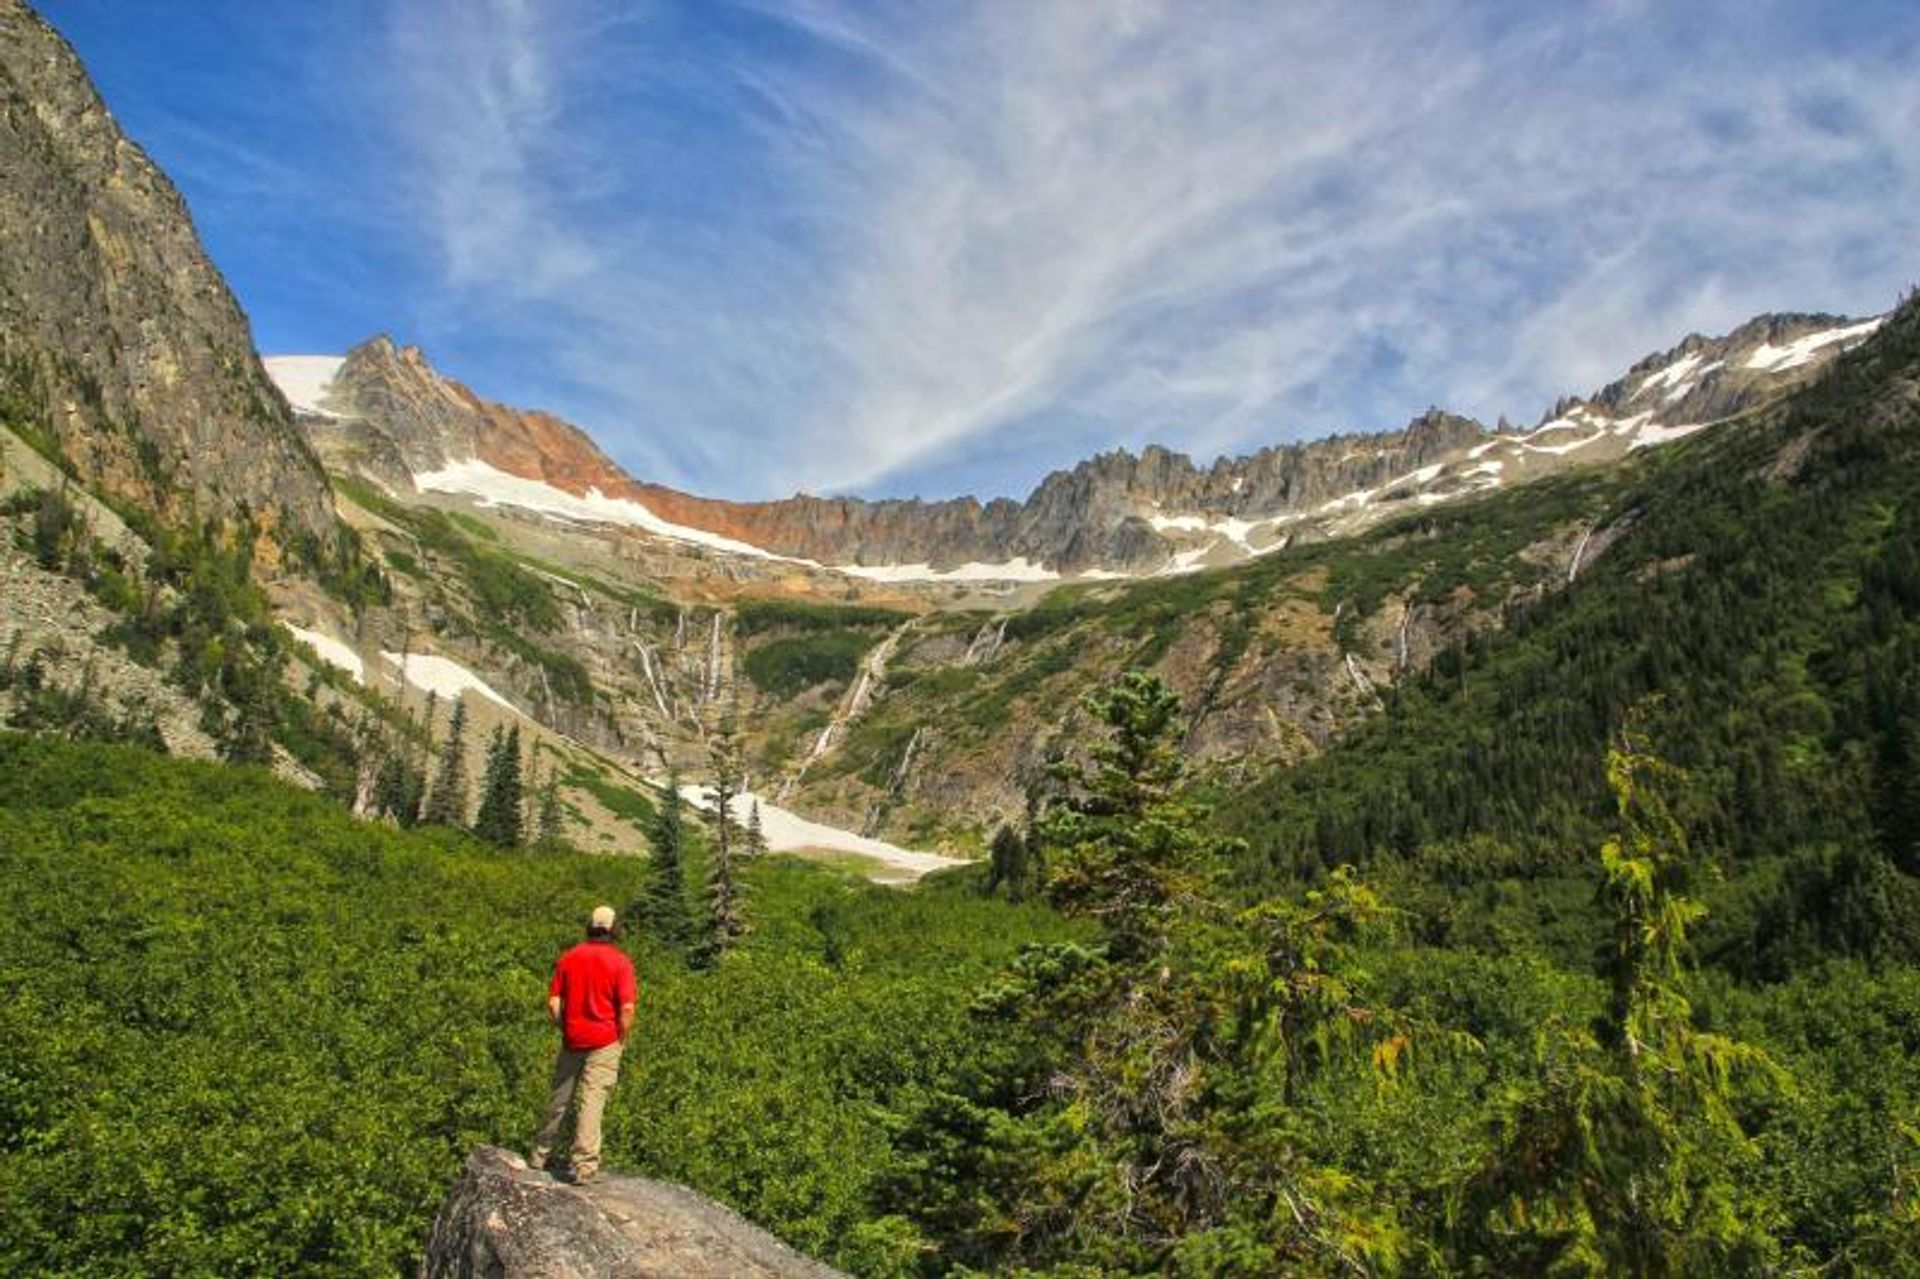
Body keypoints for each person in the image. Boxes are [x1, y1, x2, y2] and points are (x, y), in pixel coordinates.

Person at [530, 904, 637, 1184]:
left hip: (572, 1039)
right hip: (604, 1041)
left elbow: (553, 1003)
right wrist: (622, 1038)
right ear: (613, 930)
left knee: (559, 1099)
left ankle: (540, 1155)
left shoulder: (569, 958)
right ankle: (584, 1167)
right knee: (592, 1101)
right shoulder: (620, 962)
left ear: (590, 927)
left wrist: (565, 1026)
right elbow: (626, 1009)